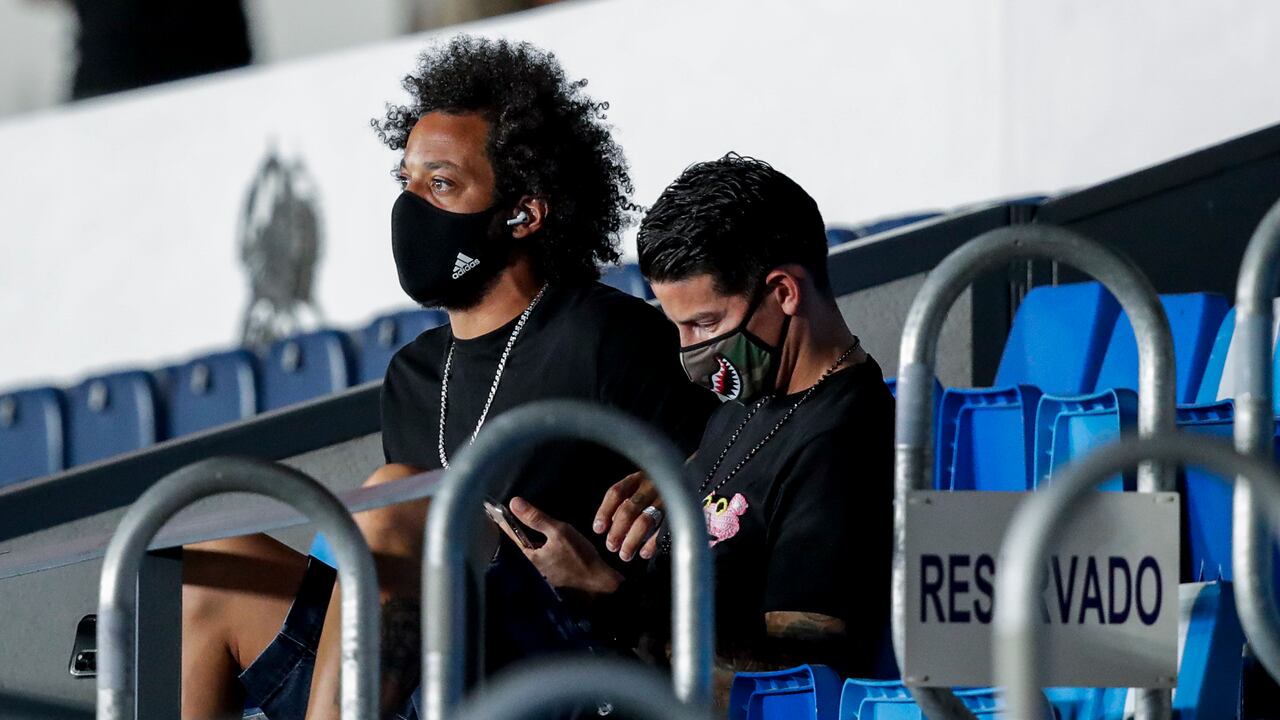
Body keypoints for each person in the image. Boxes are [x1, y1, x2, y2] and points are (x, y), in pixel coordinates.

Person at [179, 36, 716, 720]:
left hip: (568, 671)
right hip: (431, 670)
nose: (412, 210)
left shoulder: (605, 333)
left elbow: (731, 468)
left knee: (399, 494)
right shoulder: (413, 374)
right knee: (212, 562)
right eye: (406, 183)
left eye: (441, 184)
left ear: (522, 213)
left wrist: (682, 481)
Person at [499, 154, 895, 708]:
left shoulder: (842, 440)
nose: (689, 350)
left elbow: (795, 685)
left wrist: (606, 598)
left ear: (783, 291)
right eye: (677, 326)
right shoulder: (748, 402)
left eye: (705, 324)